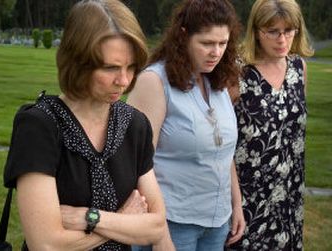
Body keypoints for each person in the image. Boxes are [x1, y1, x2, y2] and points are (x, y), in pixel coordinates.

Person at [3, 0, 166, 250]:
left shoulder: (135, 125)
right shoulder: (40, 126)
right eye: (110, 67)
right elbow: (46, 245)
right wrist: (124, 222)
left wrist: (88, 218)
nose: (123, 80)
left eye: (131, 67)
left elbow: (155, 227)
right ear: (78, 61)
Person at [127, 0, 245, 250]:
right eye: (207, 43)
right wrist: (158, 233)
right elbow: (136, 163)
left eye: (222, 43)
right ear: (183, 36)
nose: (216, 52)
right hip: (171, 222)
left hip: (217, 221)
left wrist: (236, 204)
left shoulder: (218, 81)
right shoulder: (154, 82)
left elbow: (224, 151)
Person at [228, 0, 314, 250]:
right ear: (256, 31)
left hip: (290, 197)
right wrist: (235, 203)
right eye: (273, 31)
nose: (282, 39)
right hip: (248, 199)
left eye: (289, 30)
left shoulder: (299, 68)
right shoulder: (238, 72)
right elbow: (222, 142)